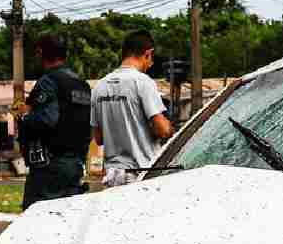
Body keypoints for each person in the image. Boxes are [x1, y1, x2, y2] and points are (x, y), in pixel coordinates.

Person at [17, 36, 94, 210]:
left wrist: (25, 116)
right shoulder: (82, 85)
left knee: (36, 219)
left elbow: (46, 120)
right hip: (75, 164)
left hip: (49, 167)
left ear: (40, 53)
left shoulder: (48, 82)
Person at [93, 30, 174, 187]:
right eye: (151, 59)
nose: (150, 65)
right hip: (140, 175)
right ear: (148, 53)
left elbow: (99, 138)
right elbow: (163, 130)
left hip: (112, 177)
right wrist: (170, 127)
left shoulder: (99, 86)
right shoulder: (143, 82)